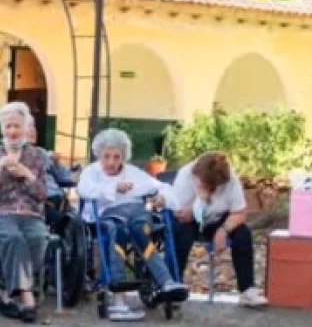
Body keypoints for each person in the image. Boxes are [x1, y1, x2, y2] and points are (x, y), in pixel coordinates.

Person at [77, 128, 188, 322]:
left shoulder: (134, 173)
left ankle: (167, 282)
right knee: (119, 231)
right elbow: (83, 190)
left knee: (140, 230)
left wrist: (163, 197)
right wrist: (114, 187)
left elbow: (162, 187)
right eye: (107, 156)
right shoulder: (92, 172)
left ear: (124, 156)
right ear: (99, 154)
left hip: (138, 214)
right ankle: (118, 299)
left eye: (117, 157)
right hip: (110, 216)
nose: (111, 162)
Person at [0, 101, 49, 323]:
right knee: (13, 238)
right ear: (2, 129)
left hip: (31, 214)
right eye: (8, 126)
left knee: (38, 238)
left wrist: (28, 175)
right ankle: (27, 298)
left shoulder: (38, 156)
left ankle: (9, 296)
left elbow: (43, 195)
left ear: (26, 128)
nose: (12, 131)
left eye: (17, 126)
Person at [170, 151, 268, 307]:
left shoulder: (230, 180)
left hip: (219, 218)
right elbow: (179, 214)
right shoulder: (186, 175)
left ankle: (247, 290)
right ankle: (174, 286)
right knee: (180, 234)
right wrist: (198, 201)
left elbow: (240, 212)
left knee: (243, 234)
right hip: (190, 221)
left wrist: (223, 230)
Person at [25, 116, 73, 226]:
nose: (33, 130)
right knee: (64, 222)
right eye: (28, 126)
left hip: (59, 200)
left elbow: (65, 178)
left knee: (76, 222)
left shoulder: (42, 153)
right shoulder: (12, 157)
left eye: (33, 126)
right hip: (40, 202)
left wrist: (57, 163)